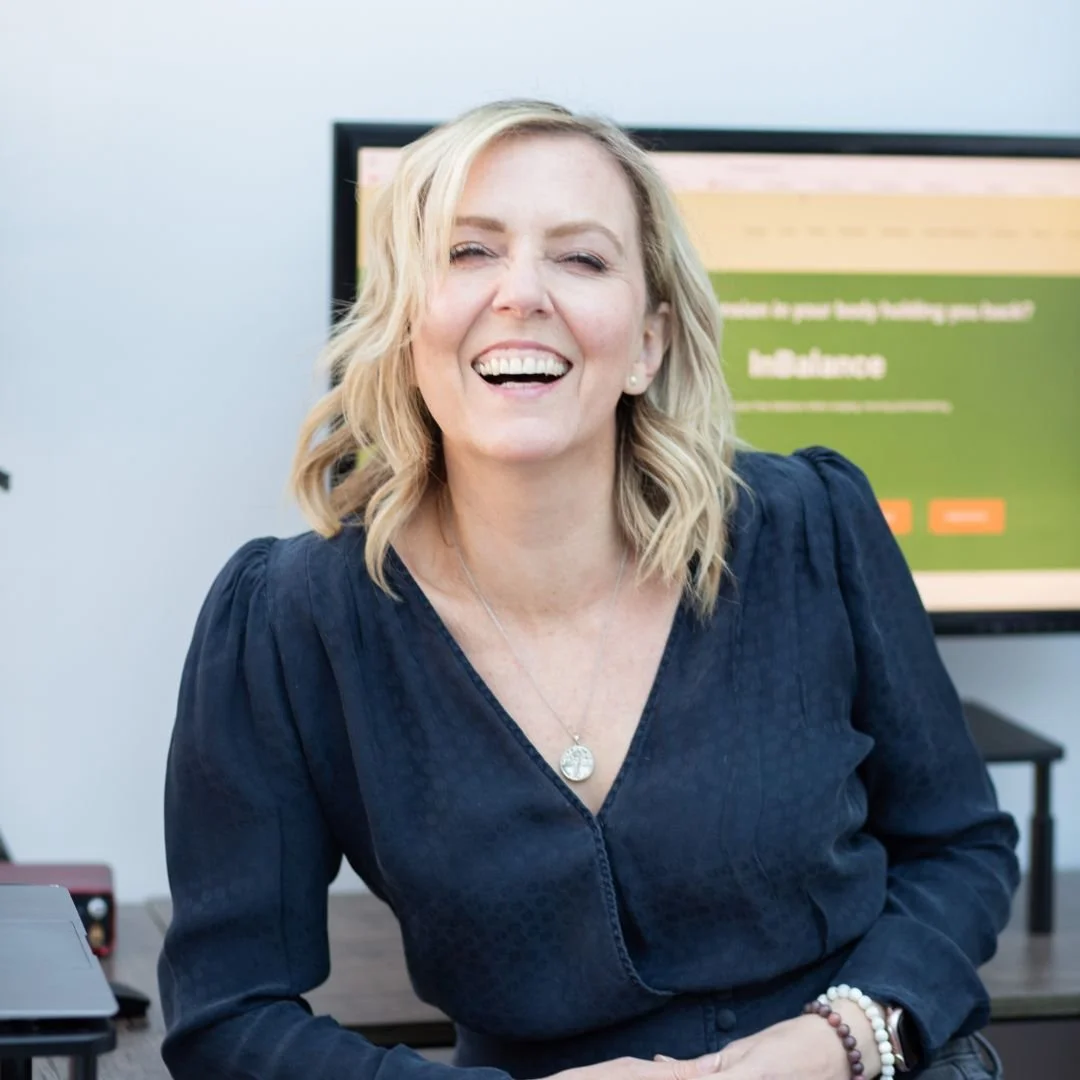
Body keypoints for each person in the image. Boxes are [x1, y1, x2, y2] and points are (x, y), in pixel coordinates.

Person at [157, 100, 1019, 1080]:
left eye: (582, 258)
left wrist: (838, 1043)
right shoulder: (286, 620)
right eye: (469, 252)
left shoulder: (808, 526)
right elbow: (226, 1018)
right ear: (404, 324)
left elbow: (960, 849)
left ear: (648, 344)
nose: (521, 293)